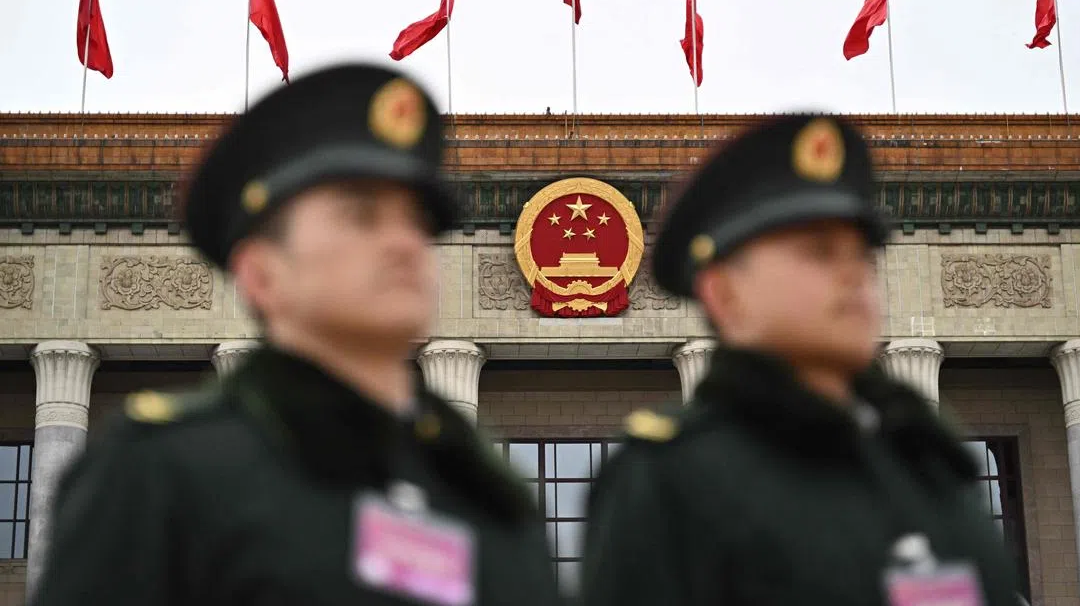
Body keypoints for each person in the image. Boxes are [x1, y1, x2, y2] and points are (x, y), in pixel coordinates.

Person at [31, 63, 563, 606]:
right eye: (361, 217)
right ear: (260, 274)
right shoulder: (165, 476)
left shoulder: (487, 496)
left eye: (417, 222)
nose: (404, 244)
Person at [579, 114, 1024, 606]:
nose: (853, 275)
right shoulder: (673, 483)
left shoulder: (925, 467)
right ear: (724, 294)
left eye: (862, 255)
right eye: (819, 252)